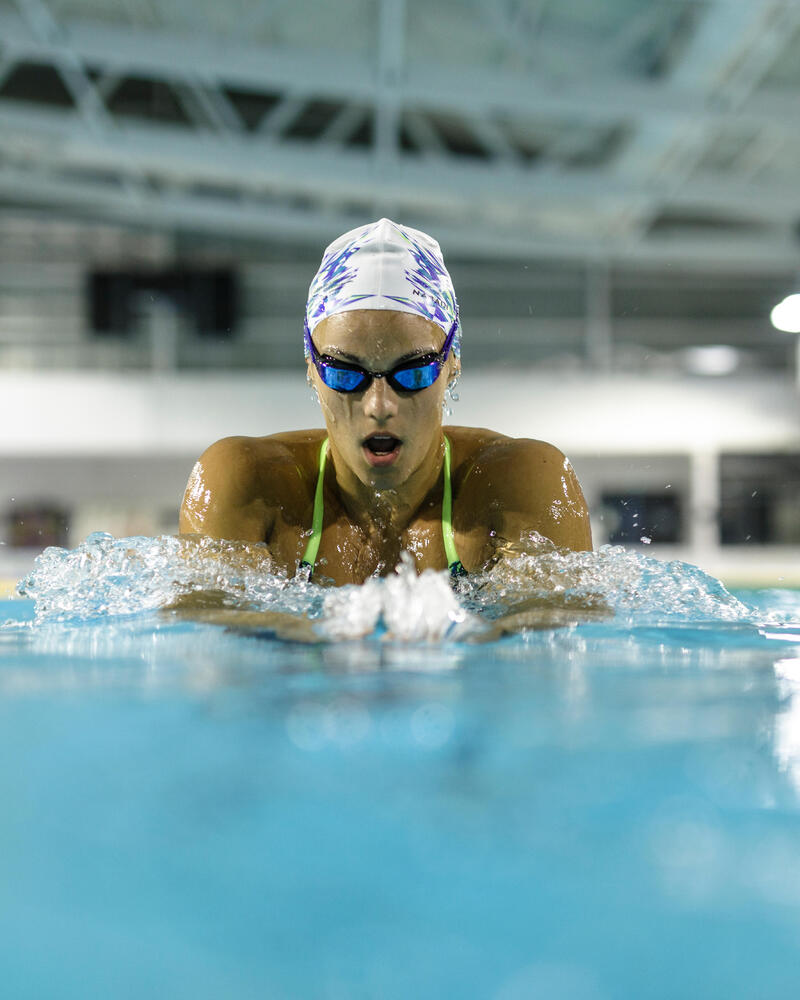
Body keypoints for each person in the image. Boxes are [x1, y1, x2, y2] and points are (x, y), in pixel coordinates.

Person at [179, 218, 591, 587]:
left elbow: (552, 644)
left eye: (413, 371)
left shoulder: (522, 483)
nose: (379, 405)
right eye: (345, 372)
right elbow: (211, 644)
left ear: (451, 364)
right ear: (310, 367)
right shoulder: (243, 482)